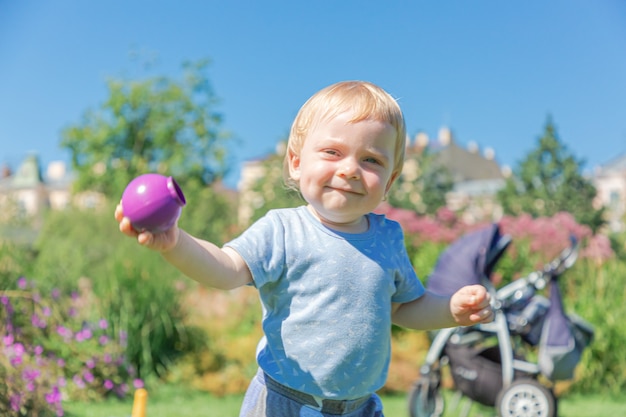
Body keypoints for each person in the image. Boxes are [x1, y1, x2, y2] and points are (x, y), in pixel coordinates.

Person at [115, 80, 494, 417]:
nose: (349, 169)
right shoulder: (283, 229)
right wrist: (176, 242)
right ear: (296, 163)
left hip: (361, 406)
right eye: (332, 152)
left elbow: (404, 308)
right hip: (284, 403)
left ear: (391, 179)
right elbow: (225, 269)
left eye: (371, 160)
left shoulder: (387, 238)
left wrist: (450, 310)